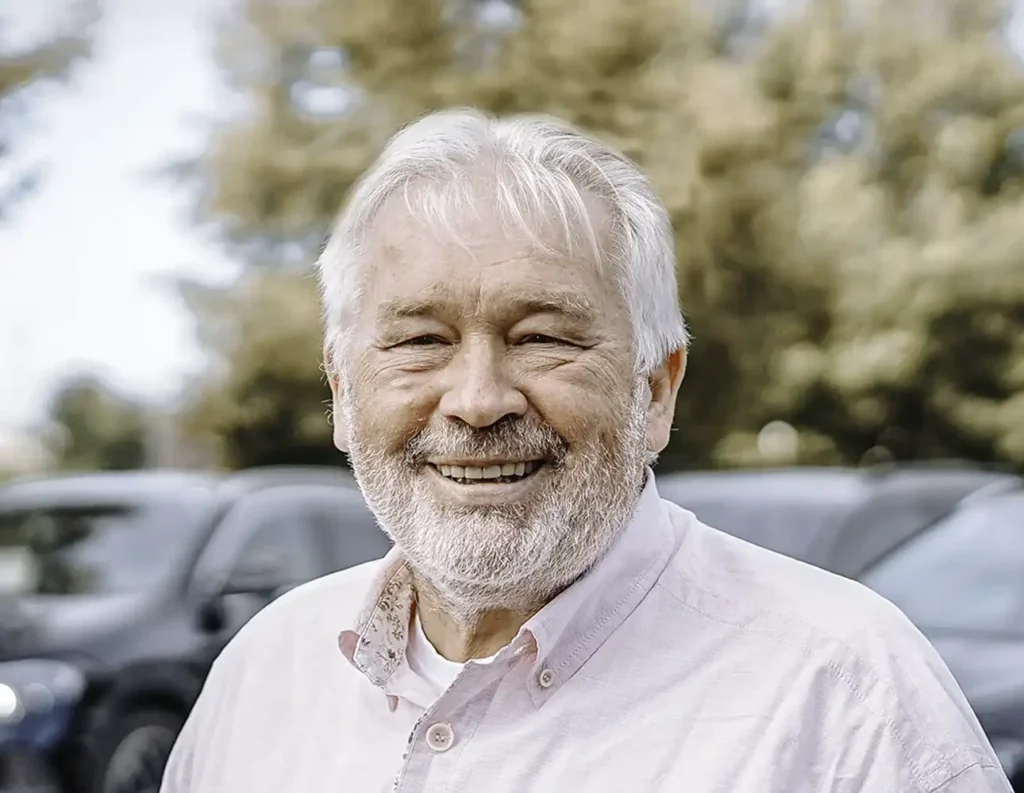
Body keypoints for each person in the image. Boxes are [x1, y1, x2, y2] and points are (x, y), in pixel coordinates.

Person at [159, 109, 1012, 793]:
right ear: (342, 392)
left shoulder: (844, 688)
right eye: (420, 339)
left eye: (543, 338)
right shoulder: (266, 671)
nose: (479, 399)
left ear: (655, 389)